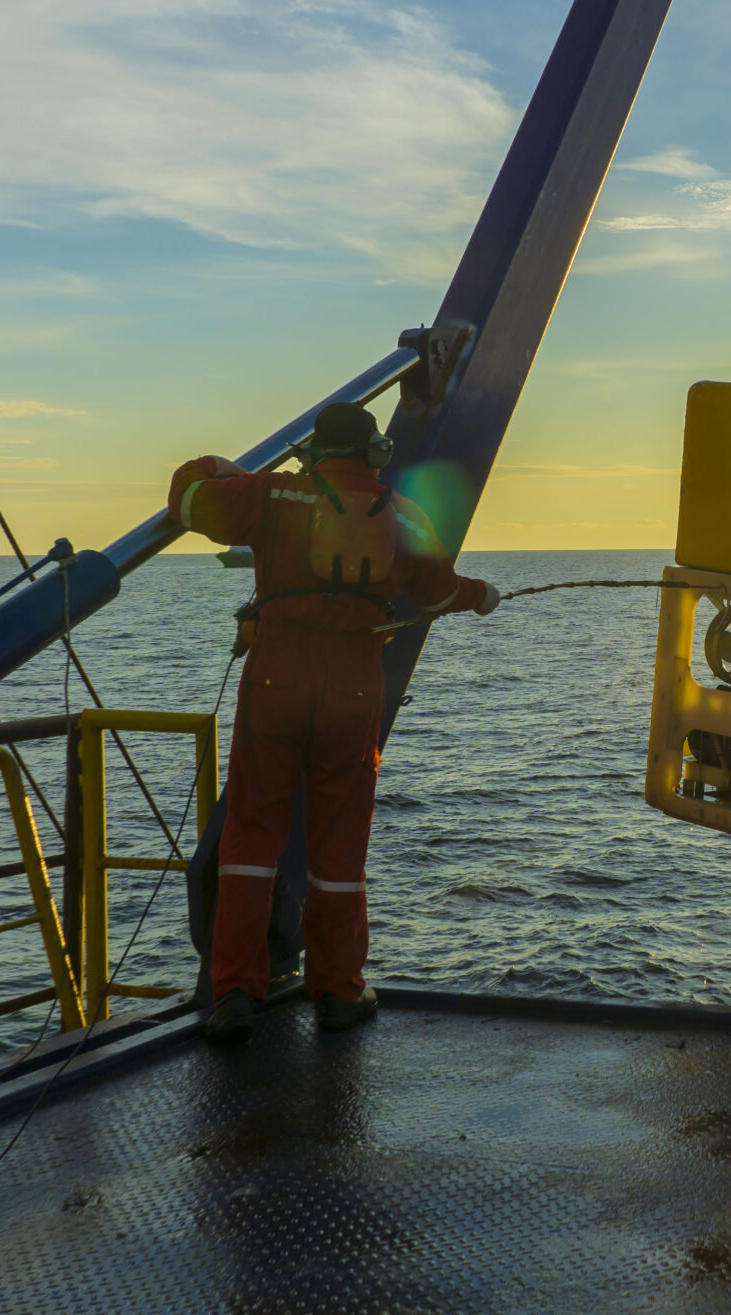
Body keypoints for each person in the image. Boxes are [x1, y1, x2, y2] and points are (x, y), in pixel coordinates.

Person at [168, 401, 500, 1043]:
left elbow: (188, 502)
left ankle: (235, 991)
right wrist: (483, 596)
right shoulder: (405, 514)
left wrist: (219, 465)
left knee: (250, 838)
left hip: (275, 682)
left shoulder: (272, 494)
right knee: (340, 847)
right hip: (354, 689)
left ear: (313, 452)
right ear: (377, 451)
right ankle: (338, 993)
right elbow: (436, 594)